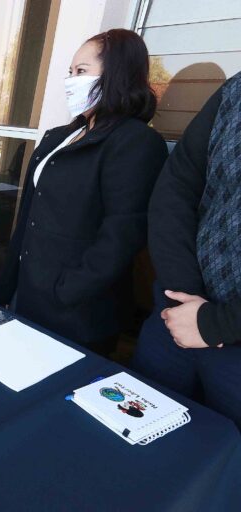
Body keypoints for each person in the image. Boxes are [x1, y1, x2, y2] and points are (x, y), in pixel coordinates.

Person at [0, 29, 168, 353]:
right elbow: (29, 215)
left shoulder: (135, 142)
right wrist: (6, 283)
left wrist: (66, 290)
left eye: (81, 72)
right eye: (70, 72)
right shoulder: (59, 136)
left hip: (75, 311)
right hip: (27, 292)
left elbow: (122, 235)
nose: (71, 80)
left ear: (117, 74)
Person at [133, 72, 241, 429]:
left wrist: (217, 323)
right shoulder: (234, 91)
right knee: (132, 433)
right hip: (176, 316)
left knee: (222, 473)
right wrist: (186, 299)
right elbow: (176, 185)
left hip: (231, 342)